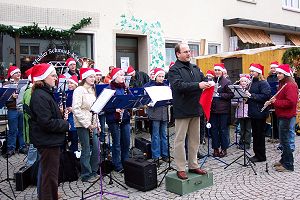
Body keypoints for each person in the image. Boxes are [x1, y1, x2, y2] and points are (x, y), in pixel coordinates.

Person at [168, 43, 211, 180]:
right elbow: (178, 86)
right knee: (179, 140)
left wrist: (208, 82)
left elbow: (203, 79)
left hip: (196, 108)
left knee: (195, 139)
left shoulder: (195, 67)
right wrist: (198, 85)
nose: (188, 54)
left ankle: (193, 165)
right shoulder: (174, 70)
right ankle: (180, 167)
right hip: (182, 109)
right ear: (177, 54)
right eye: (185, 51)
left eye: (189, 51)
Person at [29, 63, 69, 200]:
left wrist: (59, 113)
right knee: (49, 177)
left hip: (49, 140)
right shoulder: (40, 96)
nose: (56, 78)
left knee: (47, 174)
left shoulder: (44, 93)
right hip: (47, 141)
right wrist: (65, 124)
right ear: (43, 78)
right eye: (52, 75)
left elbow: (47, 116)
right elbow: (46, 122)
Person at [266, 64, 298, 172]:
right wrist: (272, 102)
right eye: (277, 73)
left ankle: (289, 165)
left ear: (286, 74)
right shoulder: (283, 84)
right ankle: (283, 160)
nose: (278, 75)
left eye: (280, 73)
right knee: (283, 140)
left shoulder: (290, 85)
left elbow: (291, 102)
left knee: (285, 141)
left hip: (287, 116)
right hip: (282, 115)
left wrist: (276, 102)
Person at [72, 68, 100, 182]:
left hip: (93, 123)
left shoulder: (92, 90)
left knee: (96, 148)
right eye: (90, 77)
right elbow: (76, 109)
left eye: (94, 76)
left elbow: (95, 109)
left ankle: (94, 170)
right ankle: (86, 174)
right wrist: (87, 124)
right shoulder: (79, 90)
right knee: (86, 148)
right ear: (85, 78)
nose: (93, 78)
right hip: (83, 124)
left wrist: (97, 124)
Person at [105, 68, 131, 172]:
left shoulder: (125, 88)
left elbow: (131, 100)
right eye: (120, 75)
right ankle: (117, 164)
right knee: (117, 143)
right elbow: (105, 106)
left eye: (123, 75)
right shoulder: (109, 89)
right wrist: (114, 109)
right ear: (115, 77)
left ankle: (126, 162)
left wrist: (128, 105)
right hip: (113, 119)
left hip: (125, 118)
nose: (123, 77)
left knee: (126, 142)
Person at [245, 63, 271, 163]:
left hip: (260, 112)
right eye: (250, 71)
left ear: (258, 72)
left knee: (259, 135)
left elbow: (266, 96)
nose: (251, 73)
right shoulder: (251, 82)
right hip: (253, 112)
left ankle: (261, 156)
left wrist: (252, 95)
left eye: (253, 71)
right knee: (255, 135)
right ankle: (257, 154)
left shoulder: (263, 83)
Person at [144, 68, 169, 164]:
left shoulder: (166, 86)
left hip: (164, 113)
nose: (162, 78)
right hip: (154, 113)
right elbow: (145, 99)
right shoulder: (149, 86)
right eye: (160, 76)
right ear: (155, 76)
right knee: (155, 135)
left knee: (164, 135)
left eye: (163, 76)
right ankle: (156, 156)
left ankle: (165, 154)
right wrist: (150, 103)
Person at [3, 65, 27, 158]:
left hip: (21, 109)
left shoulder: (24, 84)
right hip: (12, 109)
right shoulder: (7, 84)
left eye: (19, 72)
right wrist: (11, 96)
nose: (18, 74)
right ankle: (11, 148)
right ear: (12, 75)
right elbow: (4, 97)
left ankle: (22, 146)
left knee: (22, 129)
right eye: (16, 73)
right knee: (12, 130)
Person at [210, 63, 234, 157]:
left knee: (223, 130)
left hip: (223, 110)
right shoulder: (211, 81)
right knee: (214, 130)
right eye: (215, 70)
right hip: (213, 109)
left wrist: (220, 95)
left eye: (218, 70)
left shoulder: (227, 82)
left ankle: (224, 149)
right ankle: (215, 148)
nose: (217, 72)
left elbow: (231, 94)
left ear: (222, 71)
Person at [235, 74, 252, 150]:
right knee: (242, 128)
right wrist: (237, 101)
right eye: (242, 81)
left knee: (248, 129)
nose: (243, 82)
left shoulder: (250, 89)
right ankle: (241, 142)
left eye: (245, 81)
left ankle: (247, 143)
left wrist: (248, 96)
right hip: (240, 111)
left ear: (248, 82)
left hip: (248, 111)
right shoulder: (237, 90)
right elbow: (233, 102)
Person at [267, 61, 279, 140]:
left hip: (277, 98)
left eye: (274, 68)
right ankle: (273, 135)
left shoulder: (279, 77)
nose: (273, 69)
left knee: (278, 118)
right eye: (271, 68)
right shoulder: (268, 77)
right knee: (273, 118)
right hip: (270, 98)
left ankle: (278, 136)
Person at [66, 75, 79, 153]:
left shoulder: (77, 93)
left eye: (72, 83)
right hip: (69, 117)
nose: (69, 85)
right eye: (68, 83)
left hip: (75, 118)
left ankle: (74, 151)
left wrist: (72, 109)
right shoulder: (67, 93)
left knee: (74, 136)